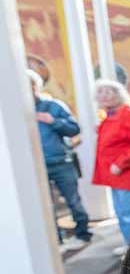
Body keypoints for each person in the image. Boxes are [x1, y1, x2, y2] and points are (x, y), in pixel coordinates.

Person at [28, 70, 91, 249]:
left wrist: (53, 121)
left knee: (73, 201)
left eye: (30, 86)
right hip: (36, 167)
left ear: (35, 87)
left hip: (61, 162)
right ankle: (57, 240)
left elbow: (74, 129)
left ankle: (83, 234)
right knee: (45, 206)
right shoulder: (16, 112)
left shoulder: (53, 106)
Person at [93, 78, 130, 255]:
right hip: (116, 176)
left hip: (128, 173)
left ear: (119, 95)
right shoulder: (109, 117)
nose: (104, 95)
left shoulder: (128, 114)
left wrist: (120, 163)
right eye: (101, 92)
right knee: (122, 212)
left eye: (109, 91)